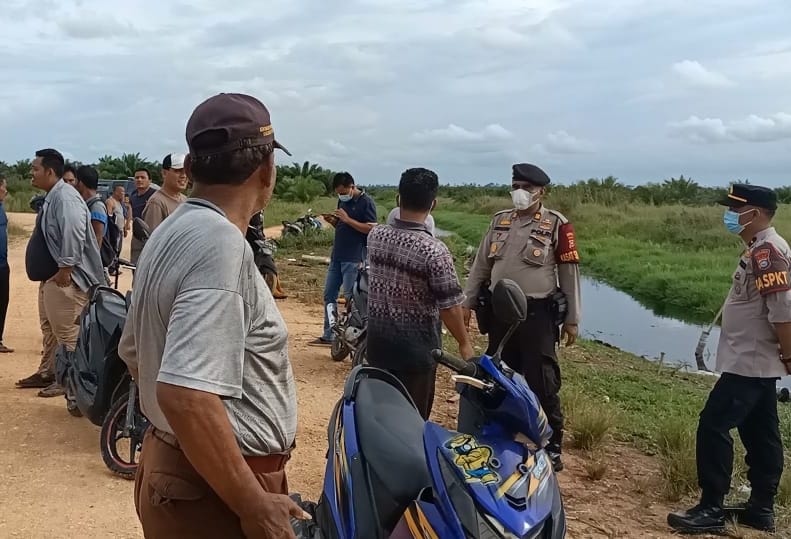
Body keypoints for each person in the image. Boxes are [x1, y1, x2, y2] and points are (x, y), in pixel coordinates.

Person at [119, 92, 307, 537]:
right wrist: (252, 504)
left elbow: (133, 351)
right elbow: (186, 395)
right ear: (266, 169)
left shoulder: (173, 229)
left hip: (185, 469)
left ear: (194, 169)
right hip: (216, 489)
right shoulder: (219, 245)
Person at [668, 184, 788, 535]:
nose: (731, 215)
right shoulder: (757, 249)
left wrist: (789, 353)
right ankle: (761, 509)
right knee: (761, 432)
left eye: (737, 209)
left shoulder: (768, 251)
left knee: (713, 425)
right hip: (751, 359)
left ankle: (711, 508)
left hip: (750, 361)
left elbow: (782, 309)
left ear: (757, 212)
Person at [461, 163, 581, 472]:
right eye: (517, 186)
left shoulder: (557, 224)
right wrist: (467, 302)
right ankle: (499, 432)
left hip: (537, 313)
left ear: (541, 192)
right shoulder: (499, 221)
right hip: (501, 311)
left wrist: (573, 319)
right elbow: (481, 267)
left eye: (527, 188)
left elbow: (569, 273)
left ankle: (552, 443)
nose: (521, 193)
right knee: (498, 375)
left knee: (542, 378)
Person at [367, 168, 474, 419]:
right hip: (415, 355)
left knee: (379, 419)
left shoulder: (375, 236)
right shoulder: (434, 251)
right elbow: (449, 307)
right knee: (412, 423)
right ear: (433, 204)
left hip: (378, 347)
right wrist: (464, 343)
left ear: (397, 199)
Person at [17, 148, 104, 398]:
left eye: (35, 169)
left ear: (50, 171)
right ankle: (49, 371)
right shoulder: (54, 196)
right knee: (51, 329)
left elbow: (74, 233)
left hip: (68, 280)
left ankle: (71, 382)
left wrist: (65, 269)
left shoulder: (65, 198)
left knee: (67, 332)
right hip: (52, 279)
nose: (31, 173)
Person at [309, 172, 377, 347]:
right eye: (338, 193)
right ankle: (329, 334)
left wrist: (348, 219)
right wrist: (336, 221)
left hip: (354, 257)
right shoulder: (342, 200)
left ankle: (352, 337)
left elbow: (371, 229)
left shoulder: (366, 202)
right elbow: (344, 224)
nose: (341, 196)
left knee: (351, 298)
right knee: (329, 295)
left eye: (343, 192)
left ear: (352, 186)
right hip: (337, 256)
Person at [142, 153, 188, 232]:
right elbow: (152, 240)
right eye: (178, 171)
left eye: (186, 171)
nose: (183, 175)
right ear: (164, 173)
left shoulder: (185, 200)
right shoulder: (157, 202)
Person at [72, 165, 107, 249]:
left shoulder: (97, 207)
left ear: (80, 183)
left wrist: (93, 261)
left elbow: (97, 239)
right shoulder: (87, 204)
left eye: (74, 180)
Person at [129, 168, 157, 262]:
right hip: (137, 236)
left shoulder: (155, 196)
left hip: (152, 236)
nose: (139, 180)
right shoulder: (133, 195)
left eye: (142, 177)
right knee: (135, 264)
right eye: (137, 178)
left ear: (150, 181)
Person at [0, 175, 13, 353]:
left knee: (2, 301)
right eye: (3, 186)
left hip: (3, 264)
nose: (6, 190)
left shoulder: (1, 207)